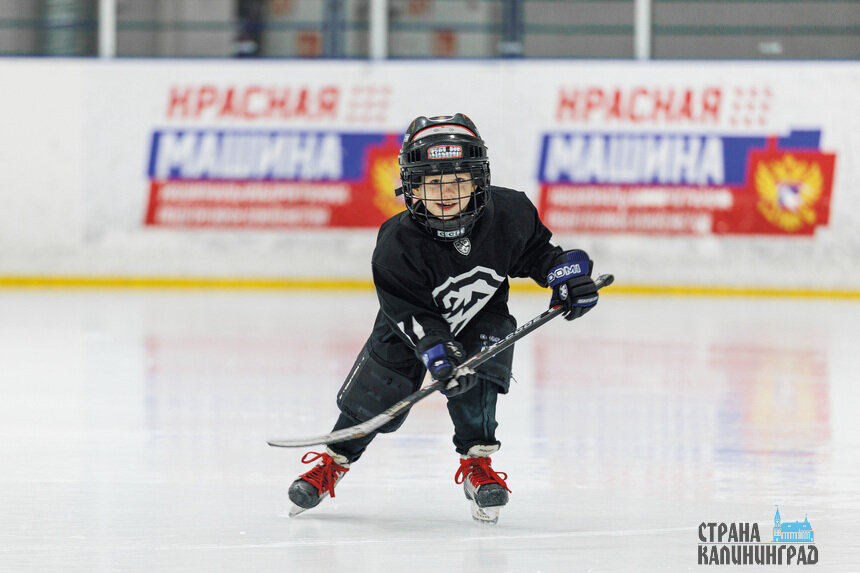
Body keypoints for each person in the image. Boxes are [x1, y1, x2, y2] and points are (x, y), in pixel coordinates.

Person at [287, 113, 600, 523]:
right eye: (431, 182)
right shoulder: (396, 244)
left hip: (481, 316)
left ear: (478, 180)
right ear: (412, 187)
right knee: (376, 394)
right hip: (409, 331)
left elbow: (538, 255)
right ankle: (335, 459)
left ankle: (477, 463)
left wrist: (566, 275)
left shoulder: (510, 212)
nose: (445, 192)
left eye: (458, 180)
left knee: (481, 374)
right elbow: (411, 314)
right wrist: (437, 350)